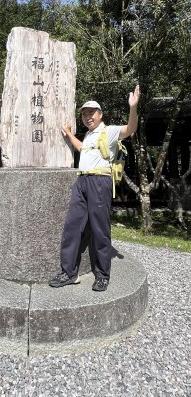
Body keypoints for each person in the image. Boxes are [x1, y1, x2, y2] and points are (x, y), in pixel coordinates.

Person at [49, 85, 140, 291]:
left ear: (100, 115)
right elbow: (81, 148)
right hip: (81, 182)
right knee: (72, 227)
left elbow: (131, 128)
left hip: (100, 182)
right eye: (84, 114)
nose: (88, 117)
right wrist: (68, 133)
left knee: (100, 229)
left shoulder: (109, 131)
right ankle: (69, 272)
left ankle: (102, 275)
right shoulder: (89, 136)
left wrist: (133, 108)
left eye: (91, 113)